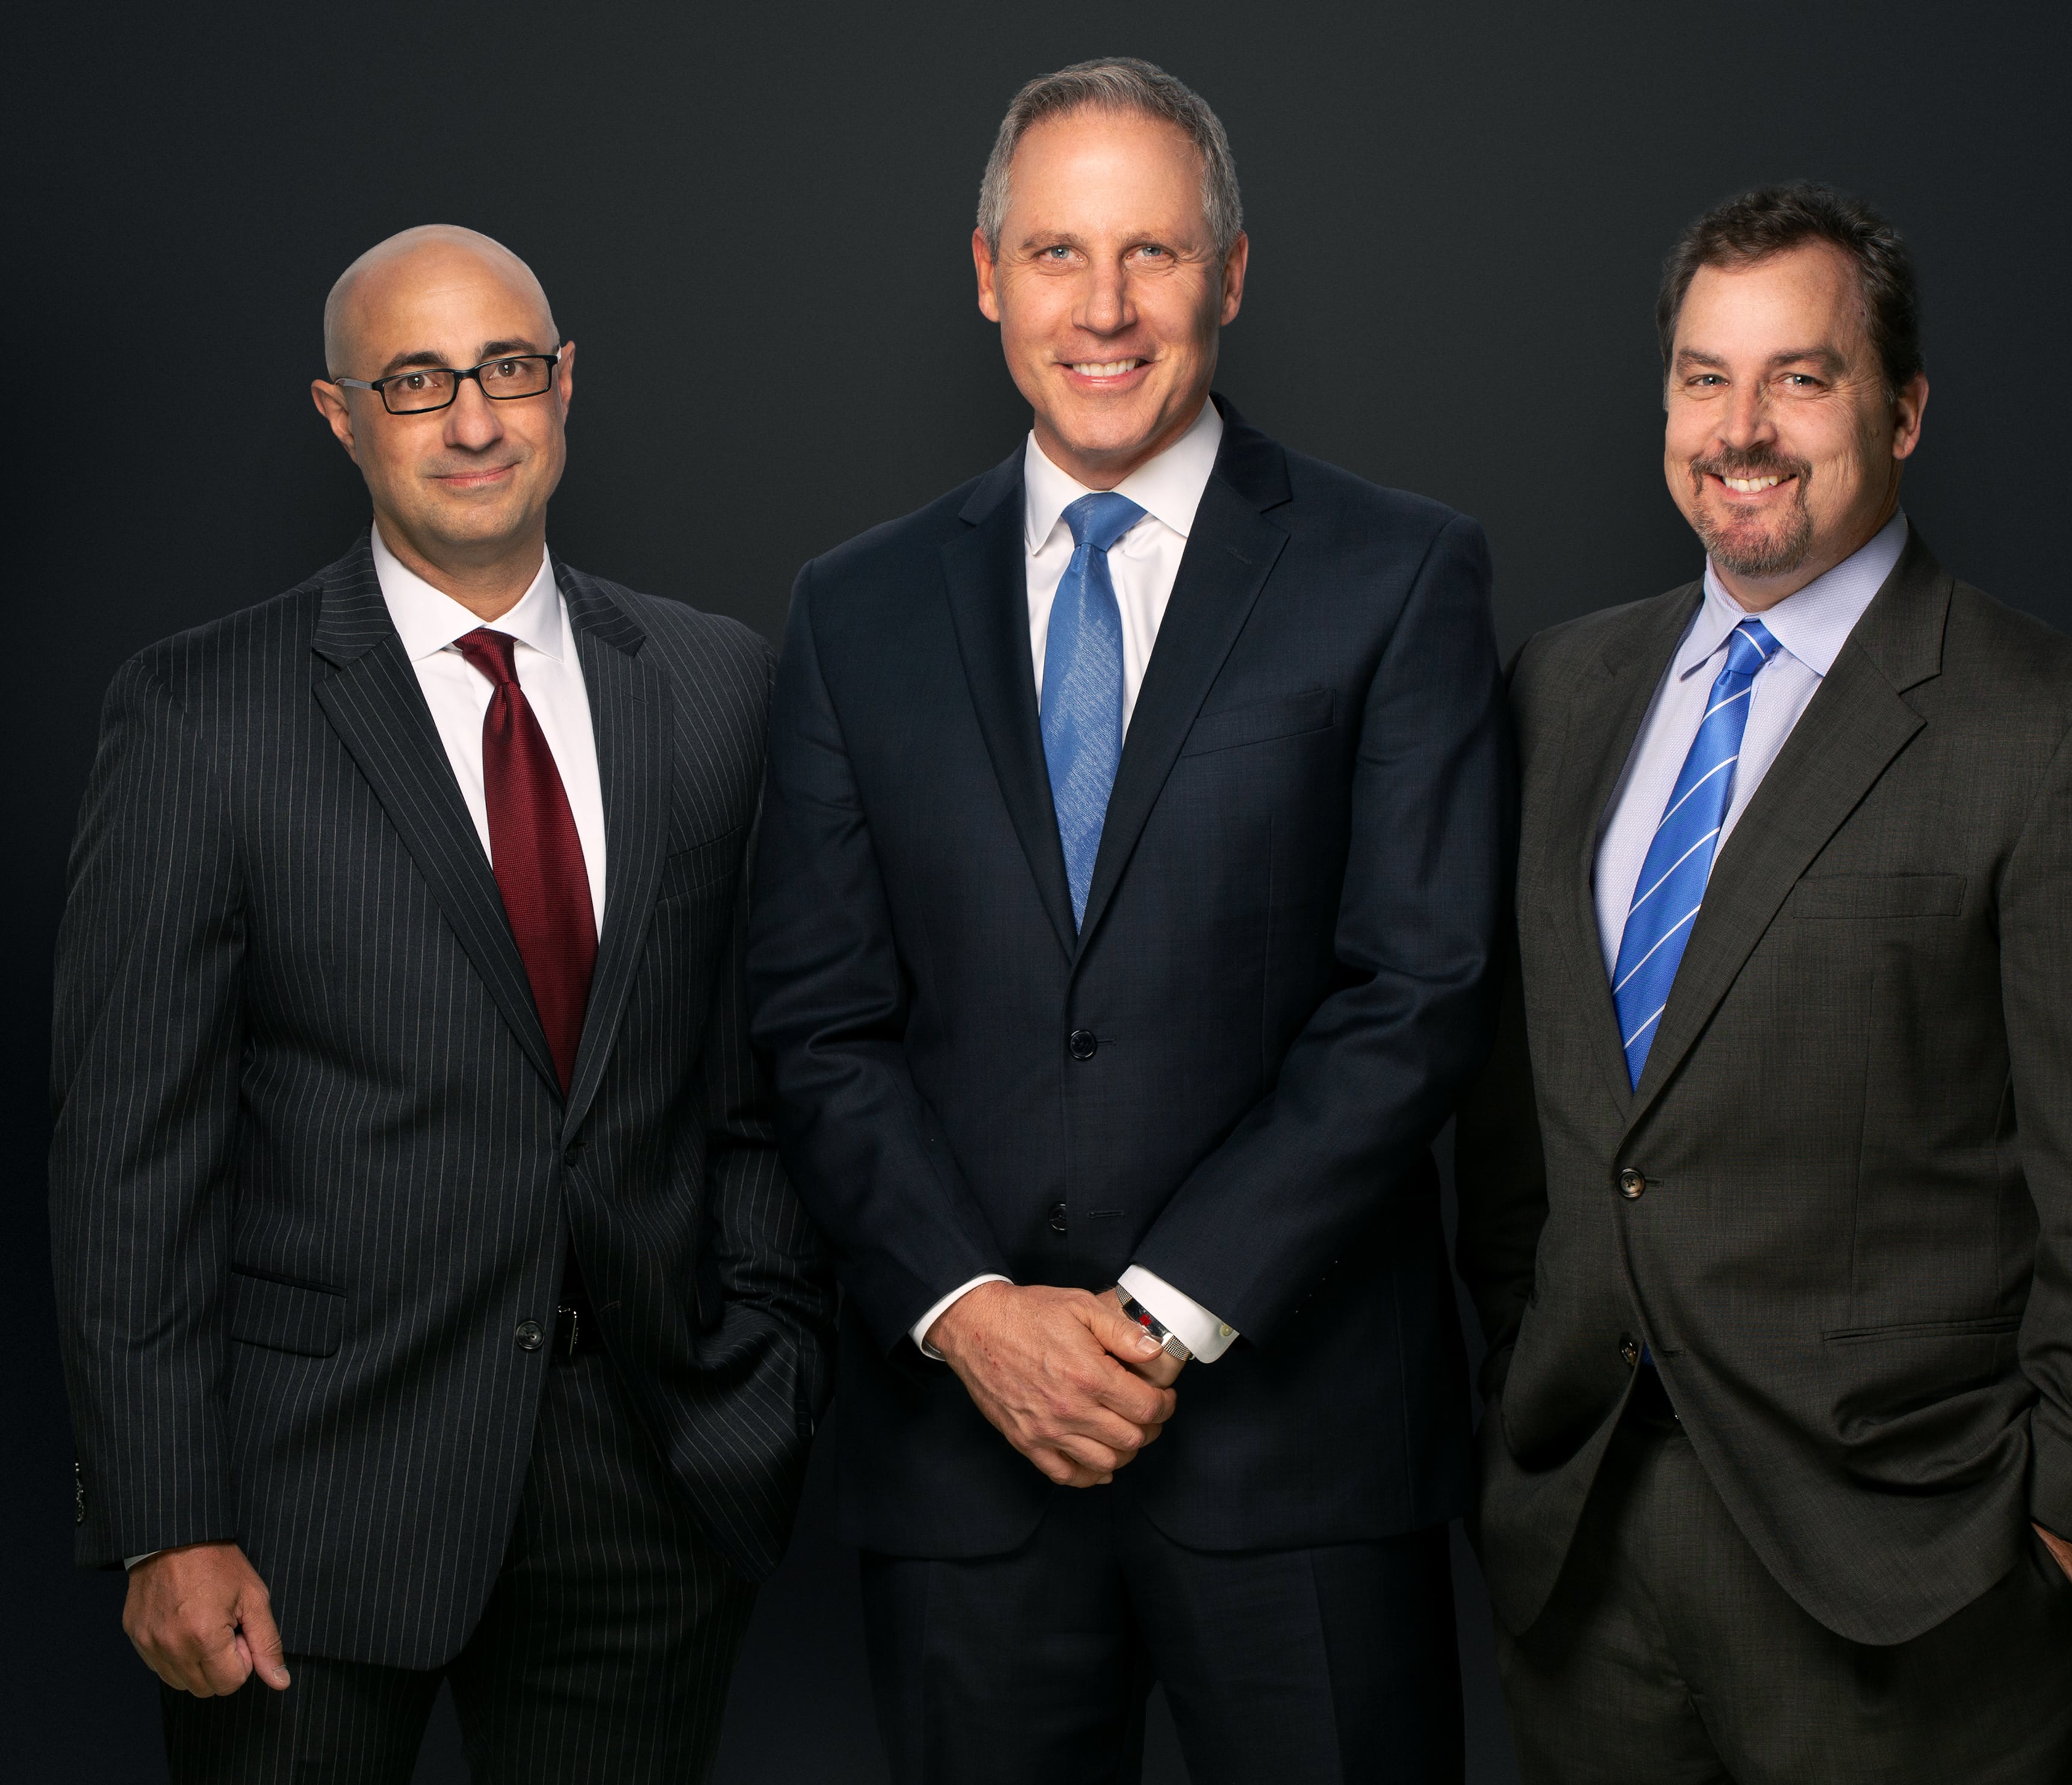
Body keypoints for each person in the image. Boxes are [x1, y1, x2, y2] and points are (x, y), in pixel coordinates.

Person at [748, 56, 1505, 1784]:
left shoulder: (1394, 574)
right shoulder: (855, 610)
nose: (1105, 308)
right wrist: (973, 1314)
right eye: (1060, 253)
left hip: (1298, 1458)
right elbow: (816, 1017)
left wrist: (1159, 1315)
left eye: (1154, 255)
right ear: (987, 273)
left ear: (1230, 277)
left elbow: (1421, 988)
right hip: (966, 1463)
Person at [1455, 182, 2072, 1783]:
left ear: (1903, 412)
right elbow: (1520, 1129)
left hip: (1915, 1585)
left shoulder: (2063, 734)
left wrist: (2066, 1534)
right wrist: (1515, 1409)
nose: (1742, 427)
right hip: (1588, 1556)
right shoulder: (1559, 691)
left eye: (1801, 376)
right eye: (1704, 376)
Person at [49, 224, 834, 1783]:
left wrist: (770, 1371)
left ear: (564, 388)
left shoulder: (720, 686)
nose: (474, 421)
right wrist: (165, 1521)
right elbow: (128, 1154)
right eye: (417, 383)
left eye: (507, 371)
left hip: (650, 1494)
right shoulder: (202, 716)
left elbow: (758, 1078)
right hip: (301, 1518)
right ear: (341, 415)